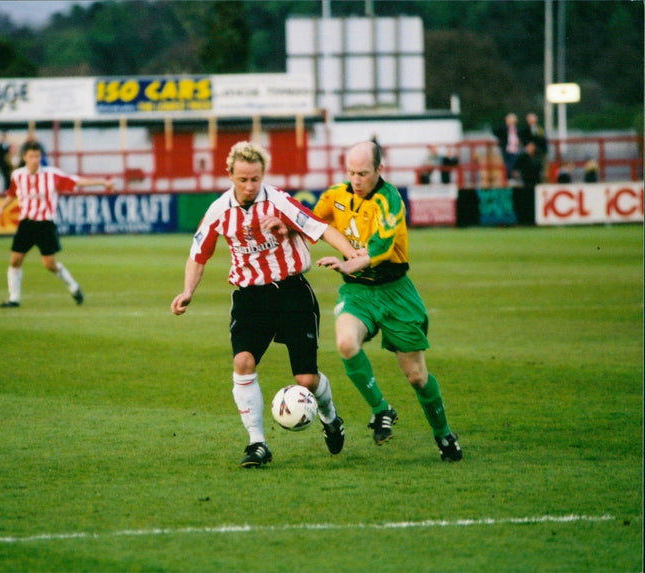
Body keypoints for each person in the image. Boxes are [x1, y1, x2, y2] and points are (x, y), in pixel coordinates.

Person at [170, 141, 358, 468]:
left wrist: (353, 255)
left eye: (254, 179)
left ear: (262, 175)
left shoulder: (280, 202)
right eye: (242, 179)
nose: (248, 186)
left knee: (306, 380)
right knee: (243, 362)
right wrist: (188, 291)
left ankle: (331, 418)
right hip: (249, 297)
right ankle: (257, 443)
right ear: (229, 174)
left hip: (292, 293)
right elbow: (197, 255)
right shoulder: (218, 211)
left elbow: (322, 229)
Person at [313, 140, 463, 462]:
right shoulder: (336, 195)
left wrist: (357, 260)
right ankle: (382, 410)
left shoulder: (390, 199)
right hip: (357, 292)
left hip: (395, 292)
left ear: (380, 170)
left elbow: (383, 244)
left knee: (417, 377)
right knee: (345, 343)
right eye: (351, 172)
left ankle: (443, 434)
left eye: (363, 173)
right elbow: (312, 219)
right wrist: (285, 229)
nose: (356, 179)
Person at [0, 140, 114, 308]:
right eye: (31, 156)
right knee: (15, 260)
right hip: (26, 223)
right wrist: (1, 209)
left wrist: (102, 183)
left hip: (45, 224)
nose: (35, 159)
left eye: (37, 156)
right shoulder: (18, 175)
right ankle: (14, 299)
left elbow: (76, 181)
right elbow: (12, 193)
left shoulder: (52, 175)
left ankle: (74, 287)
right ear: (24, 158)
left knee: (49, 264)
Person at [493, 113, 521, 181]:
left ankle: (515, 179)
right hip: (507, 150)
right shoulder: (504, 128)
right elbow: (495, 130)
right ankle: (510, 179)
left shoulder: (517, 128)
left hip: (516, 149)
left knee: (516, 165)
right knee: (508, 166)